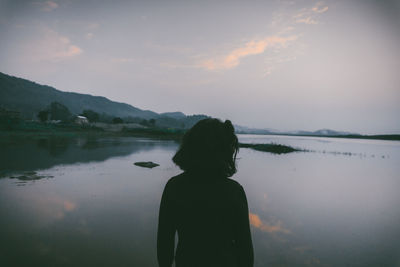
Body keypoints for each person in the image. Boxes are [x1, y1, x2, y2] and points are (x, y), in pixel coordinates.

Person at [157, 118, 254, 267]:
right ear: (224, 150)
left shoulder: (174, 187)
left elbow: (165, 243)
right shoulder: (234, 191)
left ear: (190, 146)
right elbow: (245, 249)